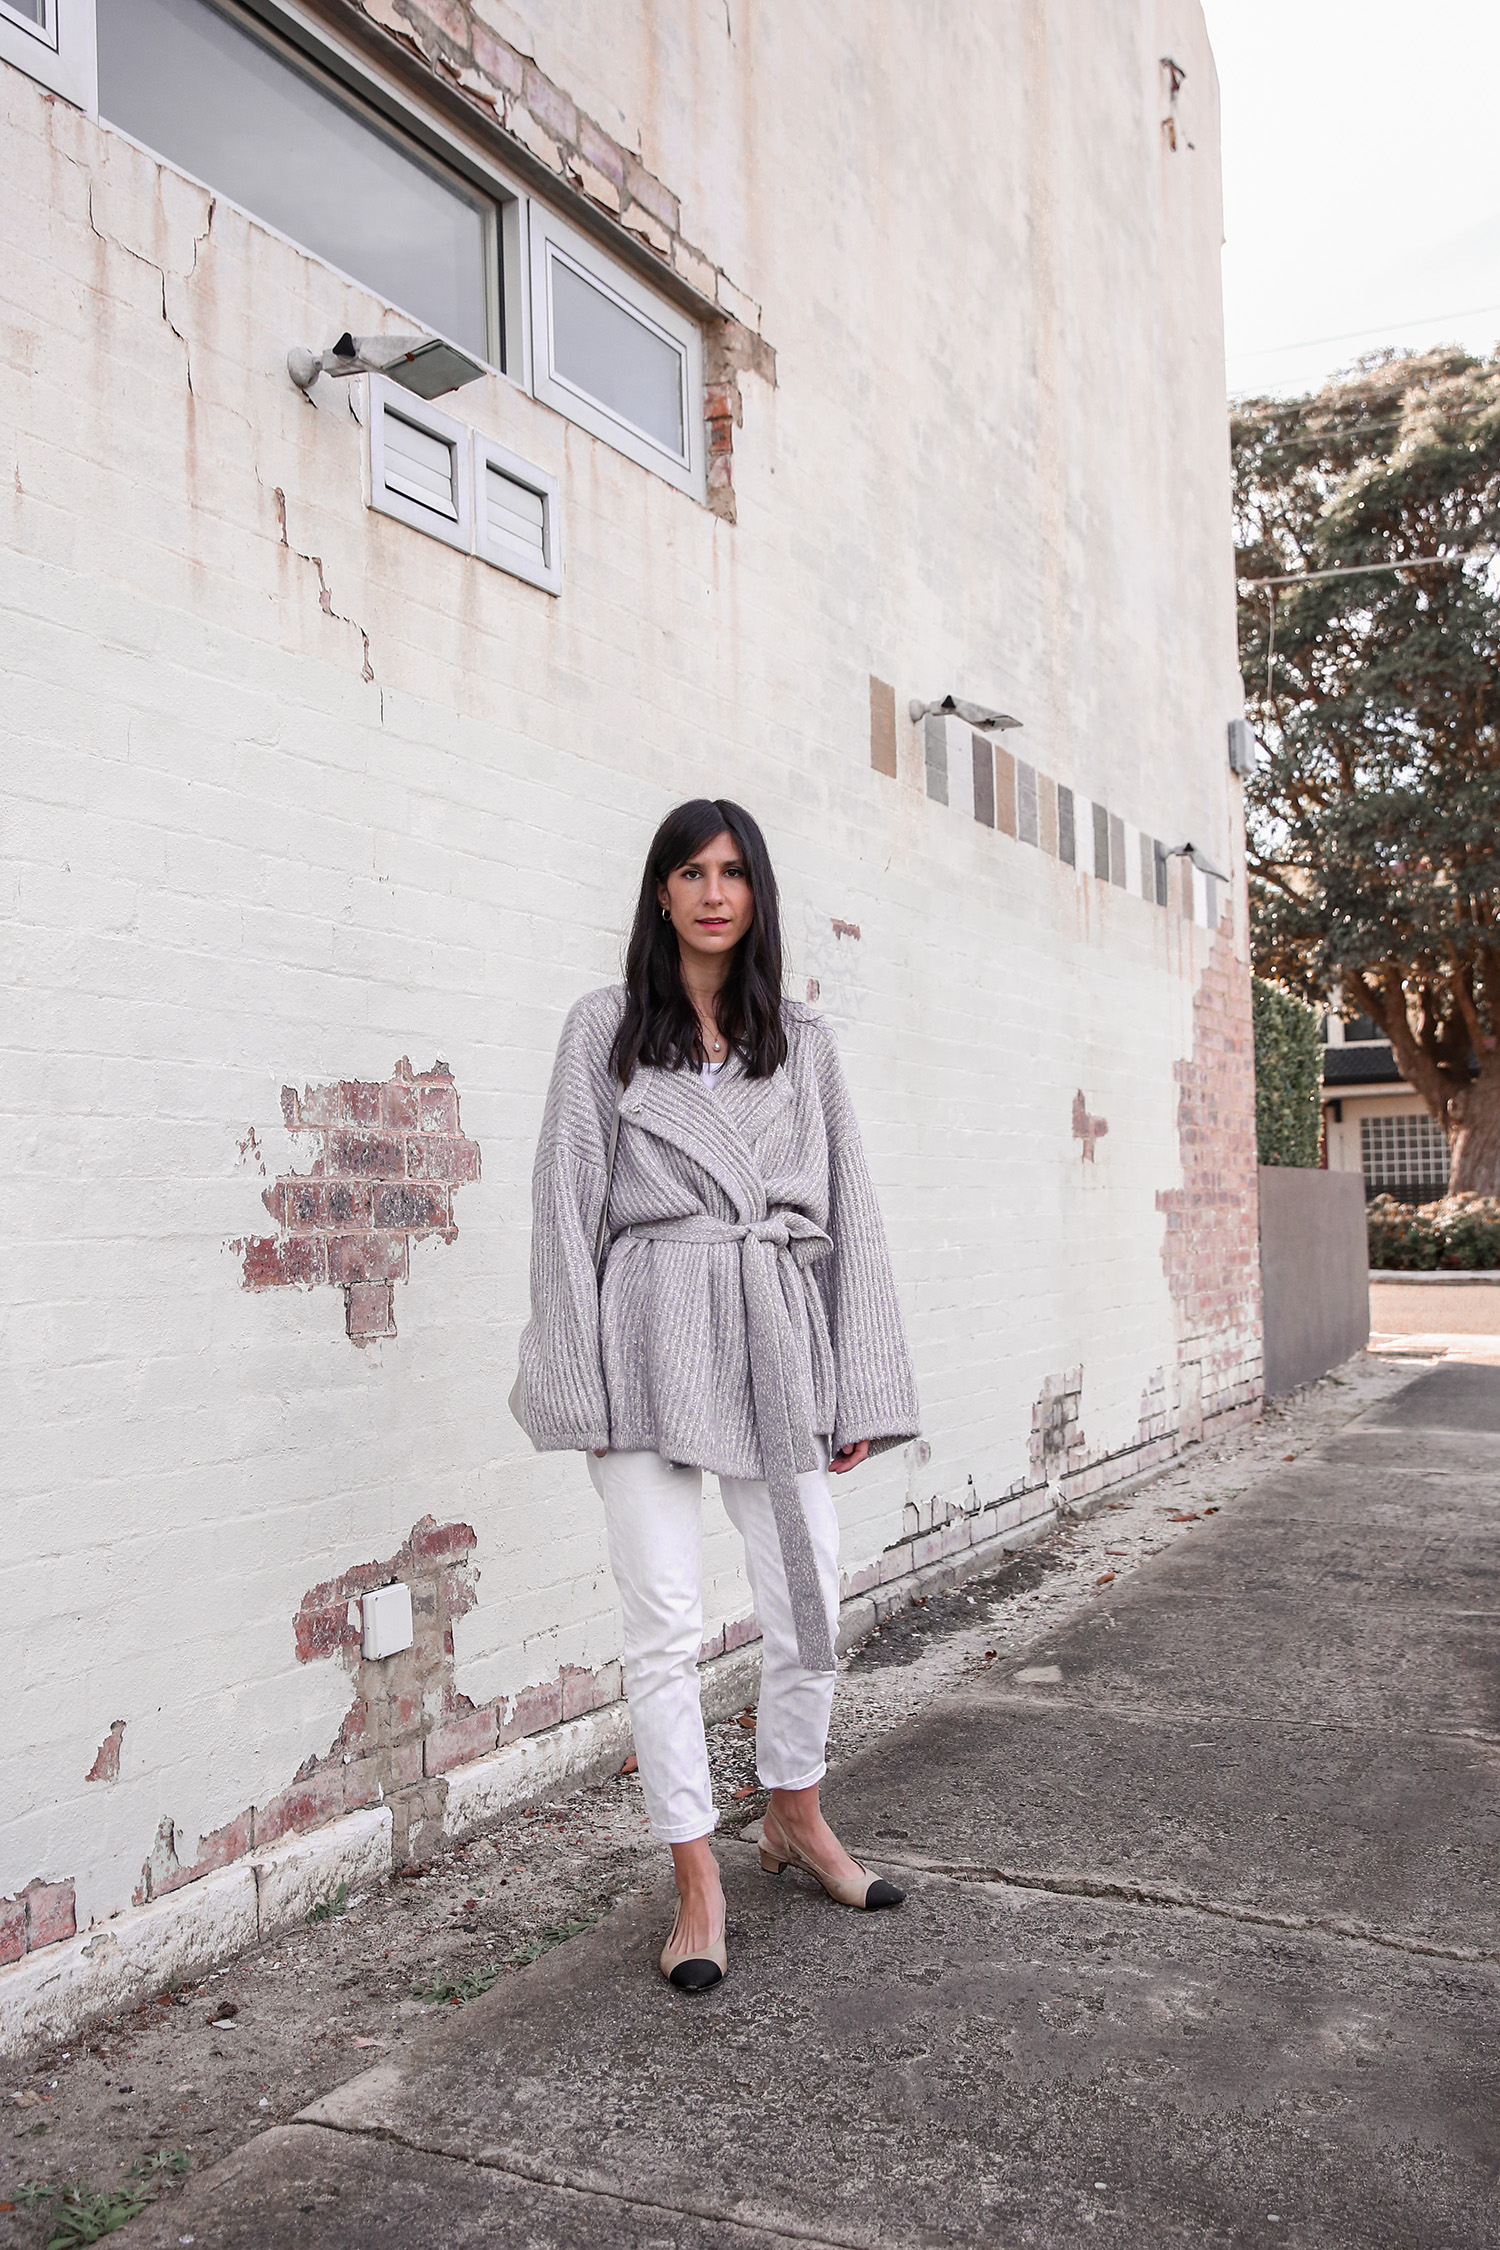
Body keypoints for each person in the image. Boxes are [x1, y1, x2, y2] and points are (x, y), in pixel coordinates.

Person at [513, 798, 920, 1990]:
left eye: (733, 871)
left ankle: (793, 1809)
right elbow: (562, 1209)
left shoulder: (802, 1039)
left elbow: (853, 1210)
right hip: (643, 1329)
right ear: (659, 893)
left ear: (757, 894)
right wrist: (575, 1384)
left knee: (811, 1600)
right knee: (666, 1625)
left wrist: (856, 1383)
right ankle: (696, 1874)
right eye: (689, 871)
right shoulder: (605, 1029)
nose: (711, 892)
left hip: (773, 1326)